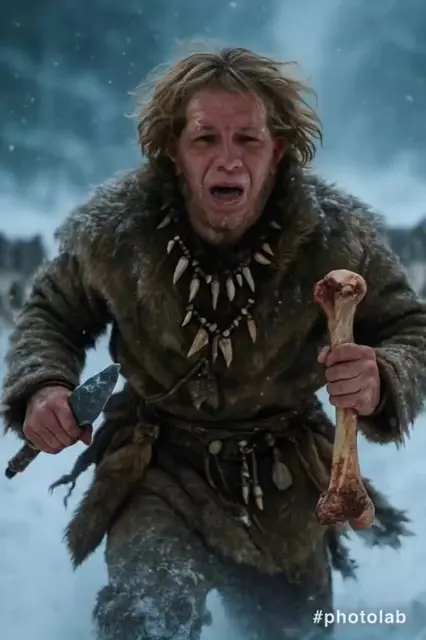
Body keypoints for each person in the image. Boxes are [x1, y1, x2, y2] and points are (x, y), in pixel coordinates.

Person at [2, 47, 425, 640]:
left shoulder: (336, 236)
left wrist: (382, 376)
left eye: (248, 140)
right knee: (146, 616)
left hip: (283, 486)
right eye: (206, 139)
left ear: (278, 150)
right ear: (173, 151)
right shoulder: (116, 229)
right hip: (158, 469)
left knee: (296, 633)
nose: (228, 160)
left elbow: (410, 329)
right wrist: (44, 387)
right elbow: (51, 313)